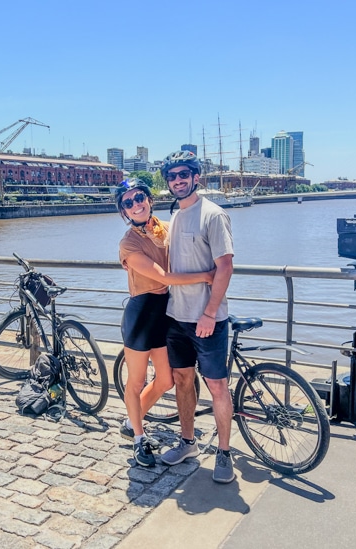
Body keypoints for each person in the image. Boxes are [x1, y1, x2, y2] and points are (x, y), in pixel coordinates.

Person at [115, 179, 215, 467]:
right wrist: (206, 276)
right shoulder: (129, 242)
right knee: (136, 381)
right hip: (141, 314)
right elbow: (165, 276)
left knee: (166, 379)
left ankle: (132, 419)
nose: (136, 204)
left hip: (166, 310)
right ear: (124, 211)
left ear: (149, 199)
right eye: (128, 202)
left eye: (139, 198)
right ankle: (138, 437)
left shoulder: (166, 228)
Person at [157, 150, 236, 483]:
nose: (178, 180)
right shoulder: (175, 217)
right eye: (172, 176)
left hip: (208, 321)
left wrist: (209, 312)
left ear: (196, 177)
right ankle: (187, 441)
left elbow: (226, 266)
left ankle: (224, 453)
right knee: (182, 380)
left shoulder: (212, 215)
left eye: (184, 174)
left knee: (217, 385)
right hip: (176, 317)